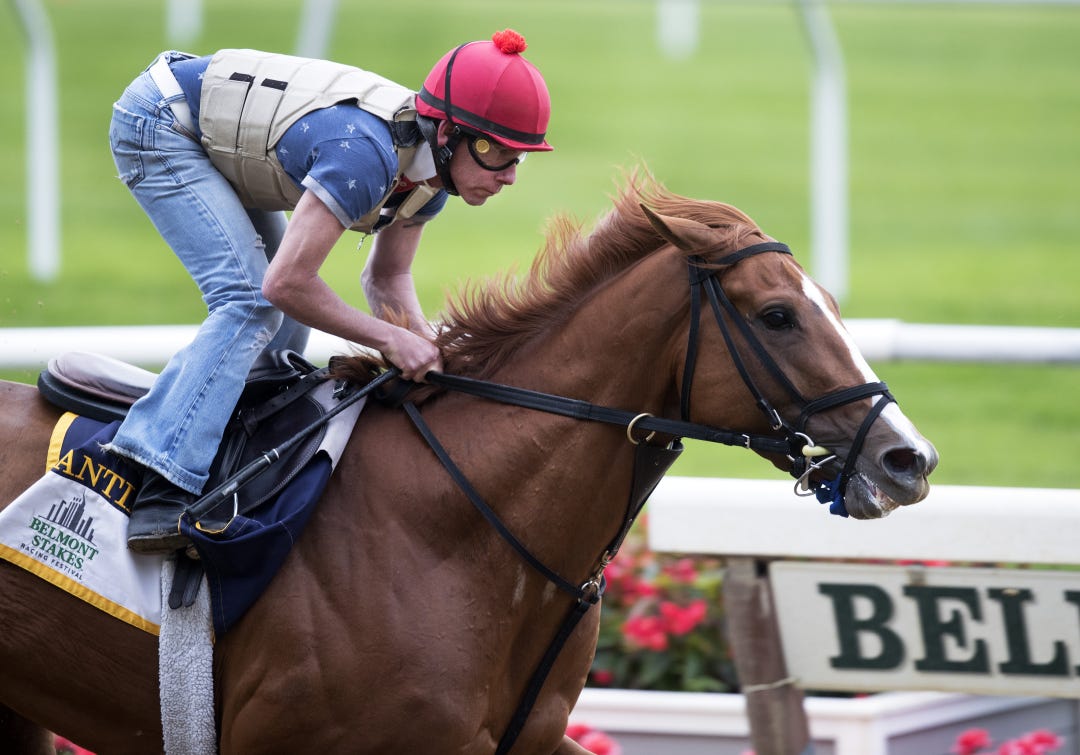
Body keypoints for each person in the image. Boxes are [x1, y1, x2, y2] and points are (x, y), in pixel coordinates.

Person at [105, 29, 552, 554]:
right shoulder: (364, 155)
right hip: (161, 122)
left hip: (213, 134)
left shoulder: (430, 182)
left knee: (282, 324)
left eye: (519, 158)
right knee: (251, 302)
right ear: (450, 133)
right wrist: (392, 340)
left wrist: (427, 349)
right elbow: (286, 283)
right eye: (497, 152)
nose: (510, 176)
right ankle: (160, 479)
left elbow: (386, 278)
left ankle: (230, 439)